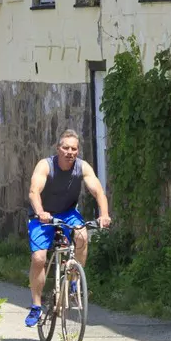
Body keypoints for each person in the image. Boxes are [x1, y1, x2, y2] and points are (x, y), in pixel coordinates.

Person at [24, 129, 112, 329]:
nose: (69, 152)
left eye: (74, 148)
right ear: (58, 149)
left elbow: (97, 191)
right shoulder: (46, 165)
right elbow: (34, 191)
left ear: (77, 151)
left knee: (82, 234)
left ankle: (74, 279)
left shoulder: (82, 167)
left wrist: (104, 214)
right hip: (43, 215)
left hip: (68, 213)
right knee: (39, 258)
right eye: (66, 148)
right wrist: (40, 212)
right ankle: (36, 305)